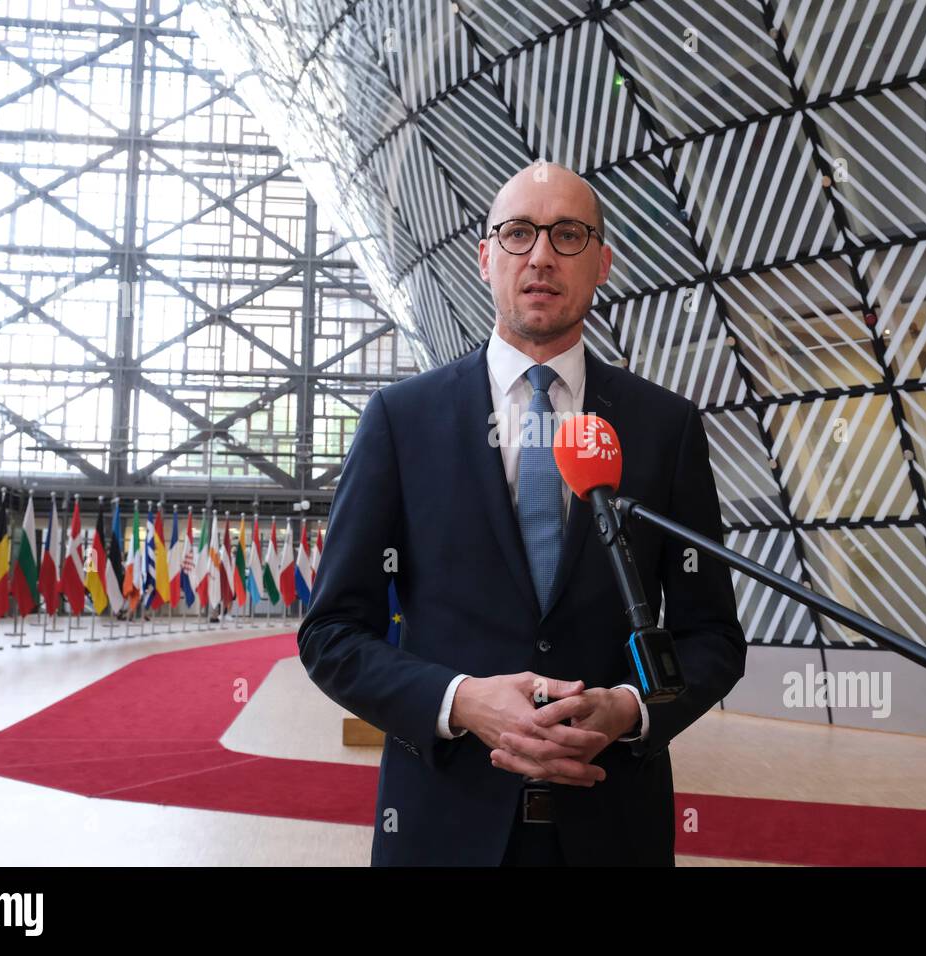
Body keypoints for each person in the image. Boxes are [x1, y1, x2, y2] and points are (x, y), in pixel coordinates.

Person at [298, 161, 745, 866]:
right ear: (485, 258)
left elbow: (711, 636)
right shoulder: (401, 422)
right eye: (517, 234)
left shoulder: (665, 428)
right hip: (443, 828)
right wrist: (461, 699)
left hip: (612, 828)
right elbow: (330, 633)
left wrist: (630, 709)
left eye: (568, 235)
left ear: (603, 263)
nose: (540, 255)